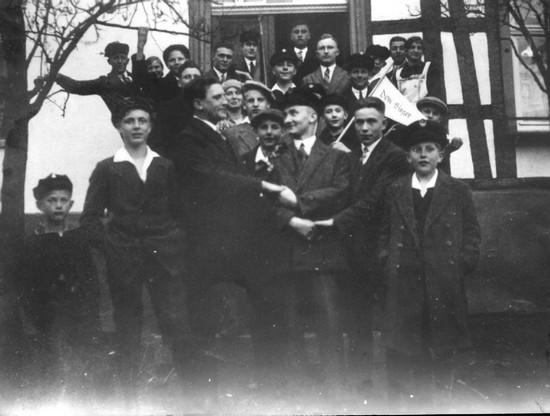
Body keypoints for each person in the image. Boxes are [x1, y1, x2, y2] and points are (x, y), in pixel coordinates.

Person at [171, 77, 289, 393]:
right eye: (218, 97)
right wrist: (261, 185)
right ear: (198, 104)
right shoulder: (188, 139)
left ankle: (267, 382)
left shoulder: (216, 134)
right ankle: (202, 394)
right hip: (206, 243)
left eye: (225, 95)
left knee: (265, 300)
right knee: (203, 316)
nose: (226, 101)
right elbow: (211, 178)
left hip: (230, 238)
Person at [80, 98, 190, 391]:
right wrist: (112, 247)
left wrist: (173, 242)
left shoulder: (165, 166)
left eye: (142, 121)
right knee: (128, 324)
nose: (136, 126)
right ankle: (129, 393)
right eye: (130, 121)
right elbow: (90, 218)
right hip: (124, 259)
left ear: (150, 127)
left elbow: (180, 213)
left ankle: (191, 393)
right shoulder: (108, 168)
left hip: (164, 257)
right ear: (119, 127)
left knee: (175, 320)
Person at [378, 119, 480, 411]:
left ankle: (439, 403)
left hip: (442, 280)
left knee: (441, 346)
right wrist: (387, 261)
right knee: (404, 346)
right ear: (408, 156)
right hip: (404, 280)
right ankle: (405, 404)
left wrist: (461, 263)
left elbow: (471, 232)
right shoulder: (395, 189)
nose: (423, 155)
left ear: (441, 155)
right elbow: (384, 232)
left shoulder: (457, 190)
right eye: (416, 149)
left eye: (430, 149)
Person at [314, 97, 411, 379]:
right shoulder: (352, 154)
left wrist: (336, 221)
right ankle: (362, 380)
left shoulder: (395, 156)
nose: (365, 128)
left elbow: (375, 199)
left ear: (384, 123)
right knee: (358, 315)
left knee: (392, 316)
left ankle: (397, 383)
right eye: (359, 122)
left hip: (383, 246)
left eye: (371, 122)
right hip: (354, 248)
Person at [270, 88, 351, 388]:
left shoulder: (336, 156)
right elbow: (261, 199)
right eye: (285, 114)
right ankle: (295, 394)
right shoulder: (272, 156)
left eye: (293, 113)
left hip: (322, 251)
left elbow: (341, 192)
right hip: (286, 251)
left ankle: (336, 392)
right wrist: (291, 220)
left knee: (330, 323)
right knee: (289, 326)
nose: (287, 119)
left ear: (313, 116)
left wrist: (298, 202)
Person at [19, 174, 101, 393]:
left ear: (71, 204)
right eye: (52, 200)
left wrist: (90, 309)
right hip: (49, 314)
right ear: (40, 205)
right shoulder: (33, 242)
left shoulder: (78, 237)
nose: (58, 205)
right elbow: (28, 285)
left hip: (80, 312)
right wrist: (37, 316)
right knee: (54, 361)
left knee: (83, 361)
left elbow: (90, 277)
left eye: (63, 200)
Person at [56, 41, 139, 115]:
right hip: (124, 123)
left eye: (123, 58)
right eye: (115, 58)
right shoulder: (104, 83)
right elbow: (77, 86)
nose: (120, 61)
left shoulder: (137, 78)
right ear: (109, 61)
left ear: (127, 61)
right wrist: (57, 76)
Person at [147, 61, 202, 157]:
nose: (192, 80)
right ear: (179, 83)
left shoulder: (211, 105)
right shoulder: (167, 108)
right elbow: (158, 144)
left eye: (196, 77)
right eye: (187, 77)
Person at [132, 27, 190, 102]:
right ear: (166, 64)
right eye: (172, 60)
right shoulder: (160, 84)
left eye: (180, 59)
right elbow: (140, 79)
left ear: (187, 61)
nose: (176, 62)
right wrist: (140, 48)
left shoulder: (196, 80)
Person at [223, 80, 274, 156]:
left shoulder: (278, 131)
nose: (255, 104)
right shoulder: (232, 133)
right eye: (251, 101)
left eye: (260, 100)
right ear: (244, 105)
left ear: (268, 104)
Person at [395, 36, 441, 102]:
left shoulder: (429, 68)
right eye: (412, 47)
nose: (416, 51)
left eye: (419, 48)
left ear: (423, 52)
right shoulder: (398, 73)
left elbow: (434, 94)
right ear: (406, 51)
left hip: (423, 106)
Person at [286, 21, 318, 86]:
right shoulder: (286, 55)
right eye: (296, 32)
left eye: (303, 32)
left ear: (309, 36)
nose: (300, 35)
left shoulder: (316, 56)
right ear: (291, 37)